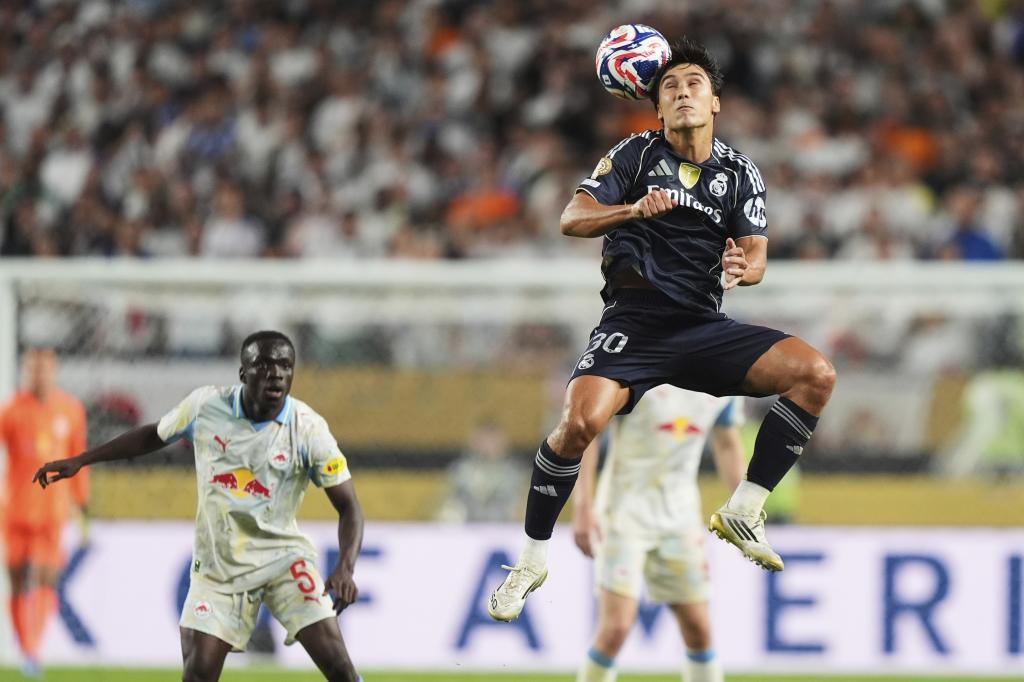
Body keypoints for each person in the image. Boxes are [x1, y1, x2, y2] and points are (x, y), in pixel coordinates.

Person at [487, 37, 836, 621]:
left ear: (715, 101)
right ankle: (530, 558)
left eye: (693, 83)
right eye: (669, 87)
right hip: (635, 322)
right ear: (656, 108)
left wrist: (741, 269)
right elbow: (572, 218)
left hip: (703, 326)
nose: (681, 93)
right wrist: (629, 210)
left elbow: (755, 257)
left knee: (816, 375)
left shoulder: (741, 172)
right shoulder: (633, 156)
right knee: (578, 423)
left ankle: (746, 506)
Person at [33, 331, 365, 682]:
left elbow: (349, 506)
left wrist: (346, 566)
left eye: (285, 365)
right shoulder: (206, 407)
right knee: (197, 675)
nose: (277, 374)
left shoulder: (308, 428)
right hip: (218, 569)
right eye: (264, 365)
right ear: (243, 374)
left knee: (340, 668)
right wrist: (83, 460)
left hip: (283, 561)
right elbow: (152, 435)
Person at [573, 385, 744, 682]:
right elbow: (590, 434)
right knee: (616, 629)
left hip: (681, 517)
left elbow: (728, 443)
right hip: (622, 512)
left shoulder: (725, 381)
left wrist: (744, 507)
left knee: (699, 628)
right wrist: (583, 505)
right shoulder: (639, 368)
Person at [0, 347, 89, 677]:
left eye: (45, 369)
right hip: (15, 510)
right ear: (26, 373)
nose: (39, 376)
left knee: (44, 576)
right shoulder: (11, 411)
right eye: (33, 370)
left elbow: (79, 458)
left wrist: (81, 504)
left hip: (52, 510)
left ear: (54, 371)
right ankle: (26, 647)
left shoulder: (71, 410)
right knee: (18, 580)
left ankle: (33, 649)